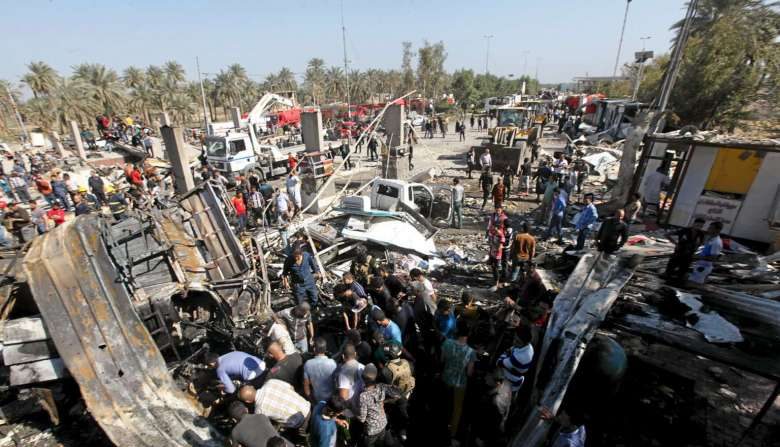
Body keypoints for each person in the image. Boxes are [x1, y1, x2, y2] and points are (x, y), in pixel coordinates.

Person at [440, 321, 476, 439]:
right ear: (468, 335)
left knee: (445, 403)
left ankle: (441, 424)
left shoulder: (447, 343)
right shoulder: (471, 352)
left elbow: (442, 360)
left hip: (446, 378)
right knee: (457, 409)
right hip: (460, 384)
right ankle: (452, 433)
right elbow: (469, 373)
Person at [238, 380, 310, 429]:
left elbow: (267, 427)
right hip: (306, 406)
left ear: (248, 401)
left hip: (300, 422)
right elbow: (291, 387)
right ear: (252, 387)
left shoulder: (259, 411)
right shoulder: (270, 382)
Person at [664, 218, 705, 284]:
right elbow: (667, 235)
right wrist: (676, 243)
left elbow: (702, 243)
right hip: (678, 253)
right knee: (669, 271)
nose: (698, 227)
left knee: (682, 273)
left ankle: (676, 285)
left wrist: (696, 247)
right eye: (697, 225)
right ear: (694, 224)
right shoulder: (684, 230)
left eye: (700, 226)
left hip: (688, 256)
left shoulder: (701, 234)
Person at [358, 364, 390, 446]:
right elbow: (382, 405)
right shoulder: (381, 387)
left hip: (372, 430)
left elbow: (362, 419)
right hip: (383, 424)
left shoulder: (363, 396)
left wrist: (352, 410)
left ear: (363, 378)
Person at [497, 324, 534, 393]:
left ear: (525, 343)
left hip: (510, 382)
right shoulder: (530, 347)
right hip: (517, 379)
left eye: (518, 342)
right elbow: (511, 349)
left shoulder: (519, 358)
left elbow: (499, 362)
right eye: (515, 338)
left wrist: (505, 354)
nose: (514, 342)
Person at [303, 337, 338, 403]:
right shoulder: (333, 363)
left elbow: (306, 386)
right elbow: (336, 383)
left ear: (314, 349)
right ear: (325, 349)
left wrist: (311, 401)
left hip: (317, 399)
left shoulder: (308, 364)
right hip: (331, 401)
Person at [336, 343, 365, 414]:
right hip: (363, 409)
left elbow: (343, 398)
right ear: (355, 354)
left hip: (351, 412)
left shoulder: (343, 373)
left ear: (343, 356)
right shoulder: (363, 367)